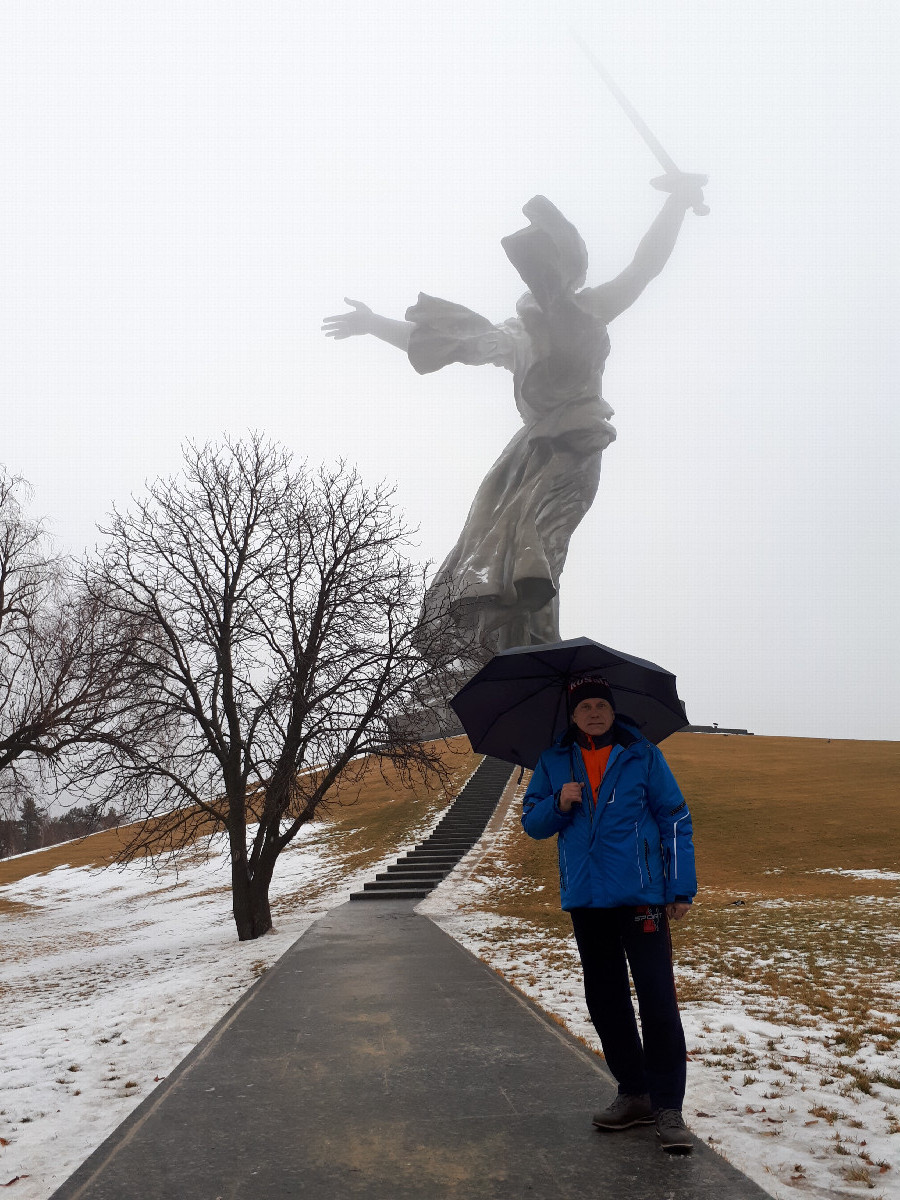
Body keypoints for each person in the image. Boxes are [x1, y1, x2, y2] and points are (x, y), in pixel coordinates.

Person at [322, 176, 705, 661]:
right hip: (529, 452)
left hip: (576, 445)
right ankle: (501, 650)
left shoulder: (589, 309)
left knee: (541, 542)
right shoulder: (517, 332)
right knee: (493, 545)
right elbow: (451, 344)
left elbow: (644, 266)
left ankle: (533, 648)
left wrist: (676, 203)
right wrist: (373, 323)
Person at [521, 674, 698, 1154]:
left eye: (601, 705)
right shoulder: (553, 761)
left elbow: (675, 818)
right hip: (587, 899)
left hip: (642, 897)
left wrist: (680, 888)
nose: (594, 713)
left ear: (613, 711)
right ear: (572, 715)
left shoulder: (643, 755)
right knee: (605, 998)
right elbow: (531, 822)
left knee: (657, 998)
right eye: (585, 707)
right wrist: (558, 802)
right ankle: (635, 1092)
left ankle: (668, 1106)